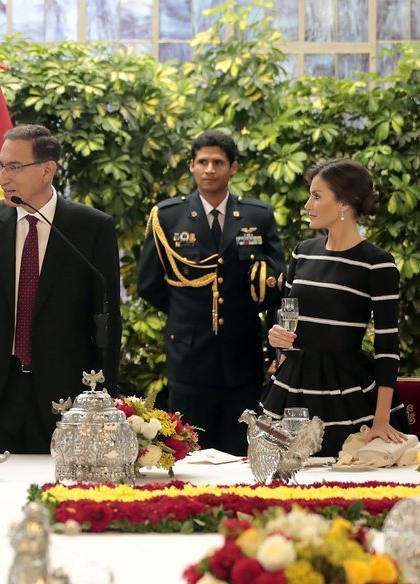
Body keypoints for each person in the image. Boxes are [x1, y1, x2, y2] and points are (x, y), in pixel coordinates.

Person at [0, 125, 121, 454]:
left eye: (14, 167)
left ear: (48, 170)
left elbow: (107, 320)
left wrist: (105, 398)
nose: (3, 177)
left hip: (65, 395)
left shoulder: (92, 228)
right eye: (0, 166)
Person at [137, 130, 285, 455]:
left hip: (242, 358)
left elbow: (276, 284)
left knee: (240, 455)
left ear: (233, 168)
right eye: (202, 161)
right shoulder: (168, 216)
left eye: (218, 162)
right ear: (191, 166)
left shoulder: (257, 216)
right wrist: (187, 312)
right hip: (190, 359)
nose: (209, 169)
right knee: (189, 455)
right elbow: (148, 284)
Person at [262, 159, 408, 456]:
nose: (307, 205)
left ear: (344, 202)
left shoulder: (377, 263)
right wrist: (278, 339)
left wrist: (380, 420)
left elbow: (387, 347)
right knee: (282, 477)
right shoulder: (302, 252)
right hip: (293, 387)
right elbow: (287, 318)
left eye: (317, 196)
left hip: (348, 393)